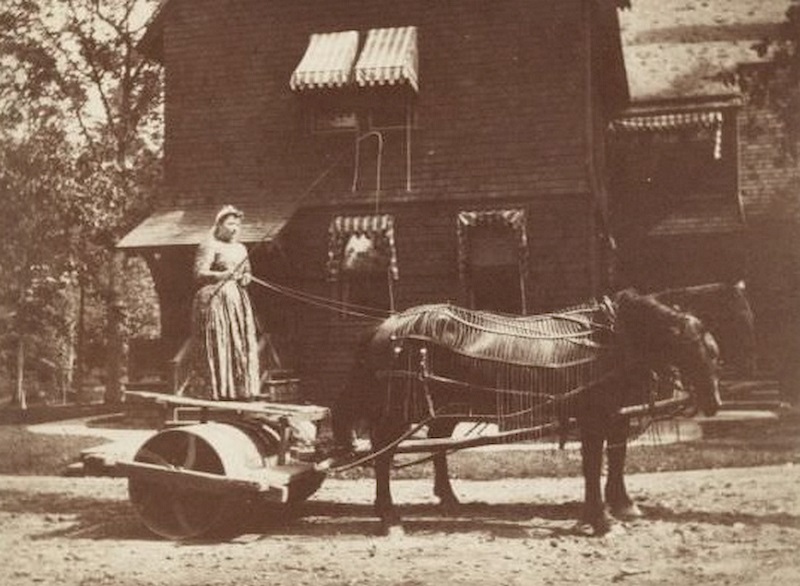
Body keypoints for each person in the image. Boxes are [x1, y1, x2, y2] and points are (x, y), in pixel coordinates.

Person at [188, 205, 260, 400]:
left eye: (237, 224)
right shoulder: (210, 245)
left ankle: (239, 390)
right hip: (217, 300)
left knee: (238, 342)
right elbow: (199, 273)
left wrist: (246, 278)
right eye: (230, 224)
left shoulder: (241, 248)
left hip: (237, 301)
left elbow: (247, 272)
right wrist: (222, 275)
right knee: (220, 341)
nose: (234, 228)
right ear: (219, 225)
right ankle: (218, 389)